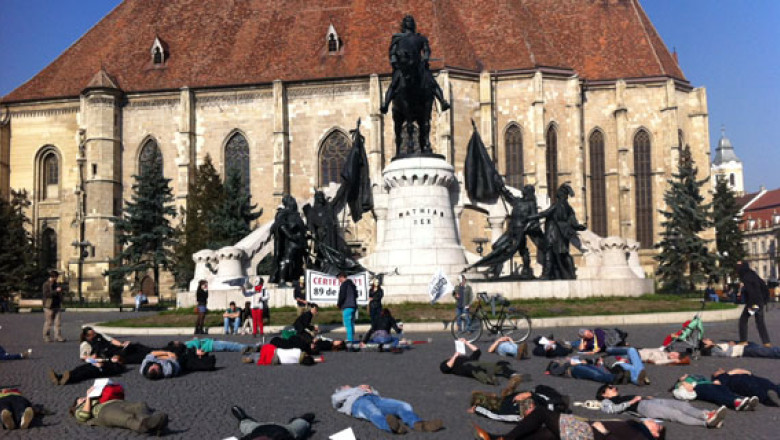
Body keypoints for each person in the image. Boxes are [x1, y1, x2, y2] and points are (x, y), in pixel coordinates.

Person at [473, 396, 666, 440]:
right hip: (585, 429)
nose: (652, 421)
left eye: (657, 425)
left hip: (588, 435)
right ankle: (497, 437)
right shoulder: (636, 427)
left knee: (541, 413)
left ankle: (504, 439)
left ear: (655, 433)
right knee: (547, 434)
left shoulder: (643, 437)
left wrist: (603, 432)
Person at [596, 384, 725, 428]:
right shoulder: (606, 403)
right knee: (675, 414)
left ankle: (706, 415)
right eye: (610, 388)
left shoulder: (619, 396)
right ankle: (706, 423)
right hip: (641, 408)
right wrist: (630, 402)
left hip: (648, 402)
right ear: (604, 394)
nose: (614, 388)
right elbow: (612, 411)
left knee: (682, 405)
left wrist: (646, 398)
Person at [331, 384, 443, 434]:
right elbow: (335, 401)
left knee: (403, 405)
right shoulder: (341, 394)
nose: (349, 386)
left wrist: (370, 389)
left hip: (376, 399)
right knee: (373, 412)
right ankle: (391, 427)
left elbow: (377, 394)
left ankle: (418, 424)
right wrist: (355, 389)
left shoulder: (361, 389)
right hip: (357, 403)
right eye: (346, 386)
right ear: (341, 389)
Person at [530, 183, 587, 280]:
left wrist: (530, 217)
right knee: (564, 254)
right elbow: (574, 223)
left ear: (560, 195)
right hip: (563, 235)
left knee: (549, 252)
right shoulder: (569, 208)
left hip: (553, 233)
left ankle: (547, 274)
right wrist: (580, 227)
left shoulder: (557, 205)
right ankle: (570, 274)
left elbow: (545, 213)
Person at [69, 384, 168, 433]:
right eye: (80, 399)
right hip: (103, 412)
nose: (82, 398)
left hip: (115, 402)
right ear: (76, 405)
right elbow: (85, 416)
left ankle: (152, 422)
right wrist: (88, 398)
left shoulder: (93, 399)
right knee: (127, 418)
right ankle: (145, 424)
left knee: (140, 405)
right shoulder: (78, 410)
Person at [469, 378, 568, 423]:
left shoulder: (502, 410)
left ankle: (557, 404)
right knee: (538, 389)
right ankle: (558, 404)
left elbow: (492, 415)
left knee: (537, 391)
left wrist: (476, 409)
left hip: (546, 407)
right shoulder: (508, 401)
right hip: (547, 408)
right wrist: (530, 394)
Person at [440, 338, 525, 385]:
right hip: (468, 368)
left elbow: (477, 351)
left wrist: (466, 342)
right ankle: (490, 378)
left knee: (497, 365)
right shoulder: (449, 364)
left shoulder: (467, 358)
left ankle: (513, 375)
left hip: (477, 364)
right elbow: (446, 368)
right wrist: (455, 356)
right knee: (474, 369)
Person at [672, 373, 758, 411]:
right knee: (716, 395)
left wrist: (713, 382)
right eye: (683, 376)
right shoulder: (681, 383)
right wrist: (682, 382)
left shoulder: (695, 376)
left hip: (708, 384)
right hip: (698, 387)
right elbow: (682, 388)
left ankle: (742, 401)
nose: (685, 375)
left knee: (725, 390)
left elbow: (706, 380)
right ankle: (735, 403)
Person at [735, 261, 771, 346]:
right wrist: (765, 300)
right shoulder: (753, 274)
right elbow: (764, 286)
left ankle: (743, 341)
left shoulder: (745, 277)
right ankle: (766, 342)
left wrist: (750, 304)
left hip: (754, 303)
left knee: (743, 320)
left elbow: (751, 292)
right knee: (760, 322)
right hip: (760, 302)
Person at [229, 405, 314, 440]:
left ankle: (303, 420)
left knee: (300, 425)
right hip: (259, 428)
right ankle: (303, 420)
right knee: (247, 425)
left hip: (259, 429)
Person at [79, 327, 152, 364]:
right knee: (134, 356)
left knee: (136, 346)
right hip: (111, 355)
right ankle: (151, 356)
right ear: (87, 337)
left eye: (94, 333)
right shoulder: (85, 344)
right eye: (93, 334)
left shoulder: (99, 335)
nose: (95, 335)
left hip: (115, 349)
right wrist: (92, 357)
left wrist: (121, 344)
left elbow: (111, 340)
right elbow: (83, 357)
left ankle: (153, 351)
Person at [711, 367, 780, 406]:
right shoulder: (721, 378)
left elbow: (745, 371)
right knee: (757, 390)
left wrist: (729, 373)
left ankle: (776, 391)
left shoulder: (729, 374)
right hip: (741, 383)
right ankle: (770, 400)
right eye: (717, 371)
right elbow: (716, 384)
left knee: (767, 383)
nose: (720, 369)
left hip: (752, 378)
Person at [48, 357, 125, 385]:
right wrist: (96, 361)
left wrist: (101, 366)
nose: (113, 358)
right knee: (77, 369)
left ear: (119, 361)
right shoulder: (108, 360)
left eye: (116, 358)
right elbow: (91, 359)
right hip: (92, 365)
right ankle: (58, 377)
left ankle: (67, 380)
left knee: (82, 374)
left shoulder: (117, 366)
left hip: (97, 370)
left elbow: (110, 372)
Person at [42, 270, 65, 342]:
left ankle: (58, 336)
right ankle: (46, 336)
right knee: (49, 322)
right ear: (53, 277)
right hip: (49, 306)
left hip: (57, 305)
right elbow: (46, 294)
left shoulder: (56, 284)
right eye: (56, 277)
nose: (57, 279)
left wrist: (61, 292)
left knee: (58, 323)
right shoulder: (46, 284)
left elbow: (59, 293)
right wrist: (56, 291)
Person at [700, 337, 780, 359]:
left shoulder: (715, 345)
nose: (708, 339)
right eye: (706, 340)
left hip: (744, 346)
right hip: (743, 350)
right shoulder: (714, 349)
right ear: (706, 345)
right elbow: (727, 354)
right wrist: (731, 345)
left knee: (767, 350)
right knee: (769, 352)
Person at [337, 272, 358, 343]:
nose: (338, 279)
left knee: (347, 324)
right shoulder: (352, 284)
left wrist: (339, 304)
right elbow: (356, 295)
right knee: (351, 323)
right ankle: (351, 338)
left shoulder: (344, 285)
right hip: (354, 306)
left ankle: (350, 340)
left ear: (342, 277)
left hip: (347, 306)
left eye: (339, 278)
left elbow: (342, 296)